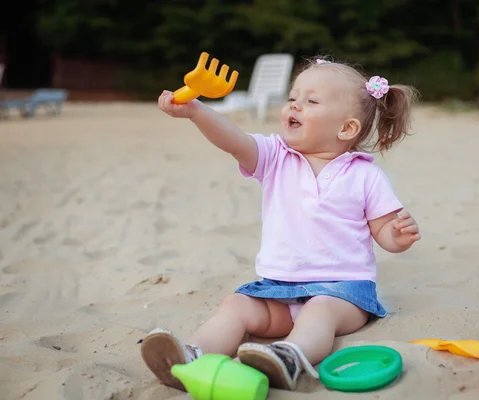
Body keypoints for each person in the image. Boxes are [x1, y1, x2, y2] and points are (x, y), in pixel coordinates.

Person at [140, 56, 421, 391]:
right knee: (237, 305)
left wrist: (397, 236)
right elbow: (233, 140)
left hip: (343, 293)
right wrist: (196, 111)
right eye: (292, 98)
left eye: (311, 101)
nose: (295, 106)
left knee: (319, 312)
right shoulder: (275, 157)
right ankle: (192, 357)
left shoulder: (365, 175)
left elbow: (383, 232)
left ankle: (289, 356)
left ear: (346, 129)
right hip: (279, 288)